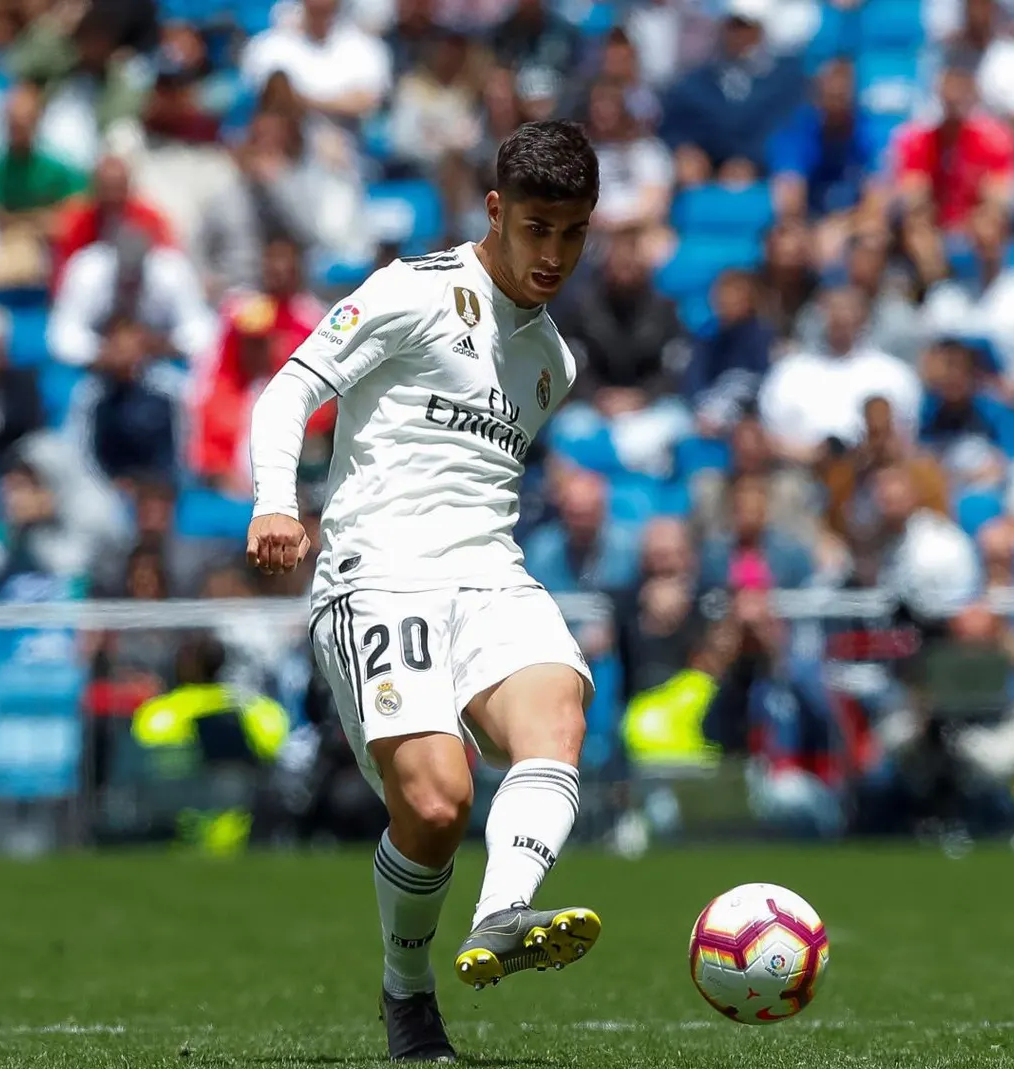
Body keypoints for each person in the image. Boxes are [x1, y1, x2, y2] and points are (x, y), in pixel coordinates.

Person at [246, 121, 601, 1062]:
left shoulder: (554, 362)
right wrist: (275, 501)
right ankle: (407, 992)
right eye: (536, 229)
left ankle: (502, 915)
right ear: (495, 211)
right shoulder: (412, 291)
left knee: (557, 709)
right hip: (377, 574)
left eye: (572, 233)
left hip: (490, 571)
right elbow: (288, 391)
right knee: (438, 806)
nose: (553, 254)